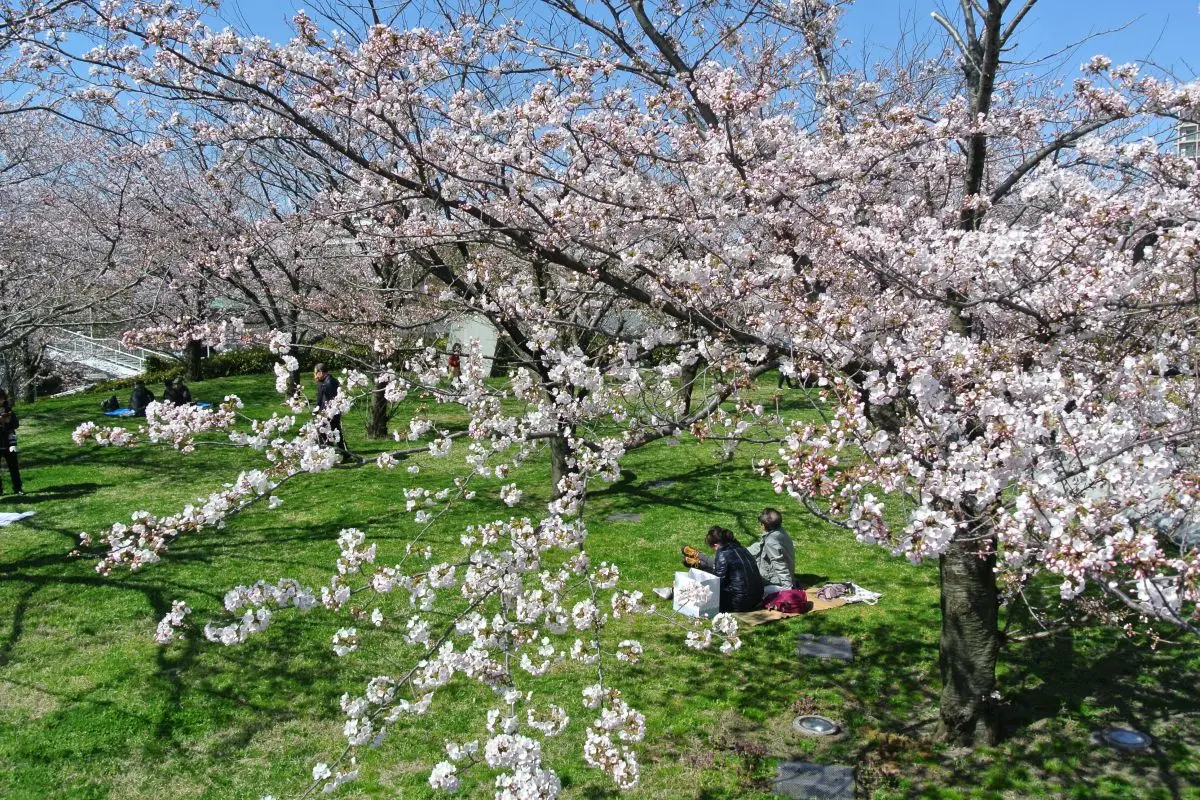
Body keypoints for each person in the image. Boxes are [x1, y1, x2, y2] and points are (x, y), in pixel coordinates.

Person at [704, 526, 763, 612]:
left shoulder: (722, 554)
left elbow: (718, 583)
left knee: (708, 593)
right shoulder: (742, 548)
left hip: (740, 603)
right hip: (757, 597)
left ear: (716, 545)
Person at [748, 508, 796, 596]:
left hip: (775, 581)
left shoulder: (771, 542)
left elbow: (780, 565)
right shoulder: (779, 531)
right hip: (784, 575)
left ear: (763, 525)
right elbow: (760, 546)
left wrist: (788, 588)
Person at [313, 363, 352, 462]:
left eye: (316, 373)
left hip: (329, 413)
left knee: (325, 432)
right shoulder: (330, 381)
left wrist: (322, 413)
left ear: (321, 372)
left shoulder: (328, 383)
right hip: (330, 412)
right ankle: (341, 453)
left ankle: (329, 453)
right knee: (334, 433)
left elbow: (330, 400)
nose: (315, 376)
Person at [0, 390, 24, 496]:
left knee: (14, 466)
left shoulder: (8, 409)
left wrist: (9, 422)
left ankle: (18, 488)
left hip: (10, 442)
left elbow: (16, 424)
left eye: (2, 398)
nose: (1, 401)